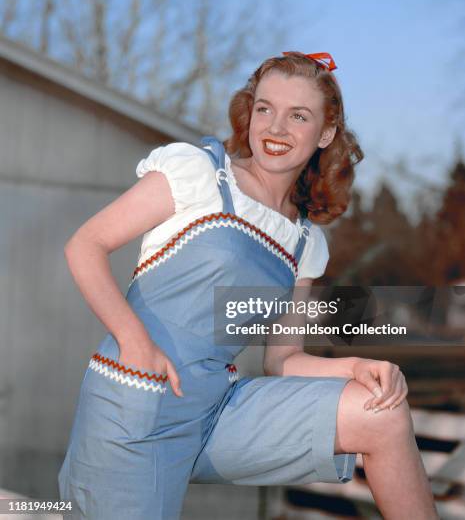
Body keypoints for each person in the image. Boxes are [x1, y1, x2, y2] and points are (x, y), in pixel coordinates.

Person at [58, 51, 439, 519]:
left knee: (380, 412)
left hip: (220, 409)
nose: (275, 128)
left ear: (325, 134)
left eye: (297, 115)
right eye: (265, 108)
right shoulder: (196, 174)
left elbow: (282, 359)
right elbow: (85, 245)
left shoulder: (304, 242)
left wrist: (360, 364)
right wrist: (133, 338)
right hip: (139, 404)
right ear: (249, 112)